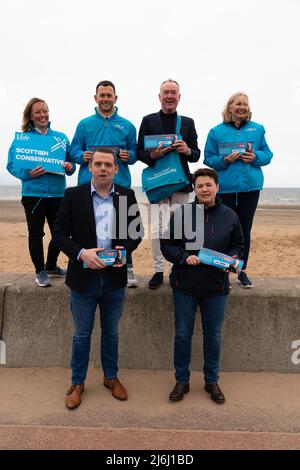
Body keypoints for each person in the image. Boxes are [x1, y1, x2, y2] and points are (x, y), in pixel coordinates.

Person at [53, 149, 143, 409]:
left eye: (108, 165)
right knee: (81, 335)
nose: (103, 168)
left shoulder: (126, 195)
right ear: (90, 167)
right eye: (98, 164)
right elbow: (59, 234)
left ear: (116, 169)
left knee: (111, 333)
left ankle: (111, 378)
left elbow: (136, 233)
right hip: (83, 278)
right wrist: (82, 253)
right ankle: (77, 383)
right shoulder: (73, 195)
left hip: (114, 278)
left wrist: (122, 251)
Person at [161, 168, 243, 404]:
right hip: (184, 285)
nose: (204, 189)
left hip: (216, 287)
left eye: (208, 185)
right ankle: (182, 380)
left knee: (213, 336)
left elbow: (239, 246)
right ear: (194, 190)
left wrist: (230, 260)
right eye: (200, 186)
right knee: (183, 336)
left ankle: (211, 380)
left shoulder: (230, 216)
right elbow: (168, 245)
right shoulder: (182, 214)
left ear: (217, 187)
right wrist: (184, 257)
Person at [69, 80, 139, 288]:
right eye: (102, 95)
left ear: (115, 98)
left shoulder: (127, 125)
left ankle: (127, 267)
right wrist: (83, 155)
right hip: (88, 184)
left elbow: (136, 153)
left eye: (109, 95)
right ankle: (86, 267)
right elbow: (73, 151)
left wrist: (129, 155)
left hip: (120, 184)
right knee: (88, 228)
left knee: (124, 228)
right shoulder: (84, 124)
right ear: (95, 98)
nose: (106, 99)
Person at [204, 92, 273, 288]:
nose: (242, 107)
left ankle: (242, 271)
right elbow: (208, 158)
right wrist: (223, 160)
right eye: (238, 104)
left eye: (245, 104)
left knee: (245, 230)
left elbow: (268, 154)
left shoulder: (258, 129)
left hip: (250, 189)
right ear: (230, 107)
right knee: (223, 231)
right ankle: (222, 270)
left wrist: (256, 157)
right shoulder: (216, 131)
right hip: (225, 189)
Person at [137, 79, 200, 289]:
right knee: (156, 228)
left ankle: (176, 269)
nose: (170, 96)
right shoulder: (148, 120)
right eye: (166, 92)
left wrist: (187, 150)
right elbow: (140, 152)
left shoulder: (188, 122)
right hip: (158, 183)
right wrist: (153, 154)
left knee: (179, 229)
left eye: (174, 92)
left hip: (181, 183)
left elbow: (196, 155)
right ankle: (157, 270)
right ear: (159, 96)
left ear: (179, 97)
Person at [6, 97, 75, 287]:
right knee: (36, 234)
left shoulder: (60, 138)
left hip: (58, 194)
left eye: (45, 110)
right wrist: (28, 174)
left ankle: (51, 265)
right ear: (30, 116)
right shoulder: (23, 139)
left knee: (60, 233)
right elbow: (11, 165)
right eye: (38, 112)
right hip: (33, 195)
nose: (42, 114)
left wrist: (69, 167)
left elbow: (70, 164)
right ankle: (40, 270)